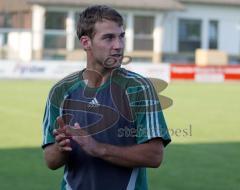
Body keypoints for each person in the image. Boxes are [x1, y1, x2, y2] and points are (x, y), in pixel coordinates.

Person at [42, 5, 171, 190]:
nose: (118, 45)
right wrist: (60, 148)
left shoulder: (138, 88)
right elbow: (50, 160)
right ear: (86, 42)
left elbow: (154, 155)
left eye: (121, 36)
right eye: (109, 37)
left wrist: (98, 148)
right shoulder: (61, 91)